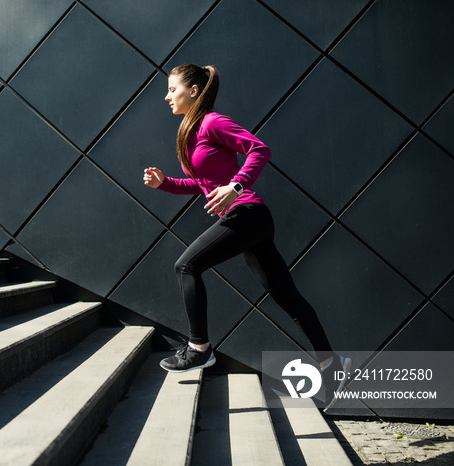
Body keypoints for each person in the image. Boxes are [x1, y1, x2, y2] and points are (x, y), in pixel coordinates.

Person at [143, 64, 350, 409]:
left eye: (172, 89)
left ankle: (199, 348)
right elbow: (204, 184)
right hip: (247, 221)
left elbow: (260, 150)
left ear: (194, 91)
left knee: (186, 266)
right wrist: (164, 183)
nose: (167, 96)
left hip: (249, 213)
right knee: (289, 299)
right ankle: (333, 368)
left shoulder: (213, 122)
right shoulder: (191, 131)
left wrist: (236, 185)